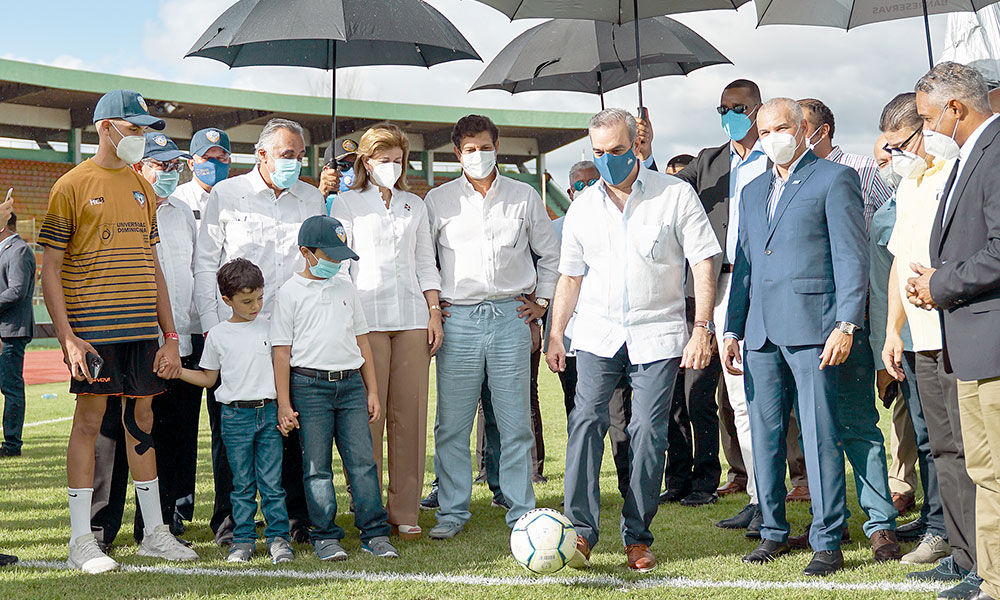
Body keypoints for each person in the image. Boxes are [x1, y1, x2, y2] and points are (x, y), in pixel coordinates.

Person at [549, 108, 720, 572]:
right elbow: (570, 276)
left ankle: (637, 536)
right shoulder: (582, 207)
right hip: (596, 334)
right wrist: (556, 333)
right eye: (599, 152)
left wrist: (701, 327)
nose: (608, 160)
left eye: (617, 150)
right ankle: (580, 531)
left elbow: (703, 261)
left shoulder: (675, 194)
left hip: (658, 334)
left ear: (636, 146)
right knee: (585, 422)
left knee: (647, 431)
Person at [38, 89, 198, 573]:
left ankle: (155, 534)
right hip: (94, 330)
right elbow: (50, 269)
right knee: (89, 423)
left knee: (141, 422)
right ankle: (81, 541)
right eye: (134, 128)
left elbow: (155, 267)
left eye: (146, 129)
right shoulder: (70, 185)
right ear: (105, 127)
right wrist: (67, 337)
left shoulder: (141, 187)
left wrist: (170, 337)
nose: (141, 137)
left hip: (141, 330)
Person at [722, 97, 868, 577]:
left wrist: (846, 323)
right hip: (760, 332)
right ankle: (772, 530)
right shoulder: (751, 189)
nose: (772, 139)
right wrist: (732, 327)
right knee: (765, 434)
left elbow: (850, 256)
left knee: (819, 433)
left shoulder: (834, 178)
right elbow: (745, 263)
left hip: (814, 326)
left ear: (803, 129)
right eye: (764, 132)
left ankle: (827, 538)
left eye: (781, 128)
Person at [424, 115, 560, 540]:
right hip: (458, 318)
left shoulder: (524, 196)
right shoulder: (438, 200)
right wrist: (434, 307)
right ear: (457, 153)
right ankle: (452, 511)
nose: (478, 155)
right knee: (452, 424)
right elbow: (424, 260)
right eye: (470, 149)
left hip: (510, 316)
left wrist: (541, 304)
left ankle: (521, 510)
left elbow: (551, 255)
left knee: (515, 421)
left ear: (496, 147)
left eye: (485, 147)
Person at [195, 118, 323, 545]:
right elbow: (205, 264)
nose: (295, 163)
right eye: (288, 155)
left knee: (290, 428)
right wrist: (215, 329)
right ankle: (231, 523)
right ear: (262, 154)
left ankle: (294, 519)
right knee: (231, 434)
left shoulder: (312, 198)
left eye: (300, 156)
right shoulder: (227, 194)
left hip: (295, 336)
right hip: (238, 337)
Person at [791, 98, 901, 562]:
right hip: (803, 324)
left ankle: (881, 524)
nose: (792, 137)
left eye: (800, 127)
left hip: (852, 320)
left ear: (822, 130)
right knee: (816, 430)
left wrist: (859, 321)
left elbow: (872, 245)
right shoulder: (786, 179)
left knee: (859, 425)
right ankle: (827, 523)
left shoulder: (861, 168)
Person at [907, 61, 1000, 600]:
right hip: (969, 340)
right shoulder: (970, 156)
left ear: (955, 108)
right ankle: (991, 578)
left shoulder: (997, 152)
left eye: (927, 118)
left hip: (991, 341)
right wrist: (936, 280)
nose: (926, 130)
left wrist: (941, 283)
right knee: (985, 470)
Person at [330, 123, 442, 540]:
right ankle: (369, 508)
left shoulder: (416, 204)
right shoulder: (346, 203)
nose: (392, 166)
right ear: (366, 161)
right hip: (366, 322)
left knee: (409, 419)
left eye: (398, 160)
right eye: (384, 160)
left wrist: (434, 311)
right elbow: (341, 266)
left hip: (413, 320)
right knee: (368, 419)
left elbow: (425, 262)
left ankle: (405, 511)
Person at [272, 215, 399, 561]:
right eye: (329, 256)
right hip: (309, 387)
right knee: (317, 466)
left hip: (351, 386)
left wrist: (372, 390)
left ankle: (375, 532)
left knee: (363, 462)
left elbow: (362, 342)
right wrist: (284, 403)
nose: (336, 263)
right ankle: (325, 535)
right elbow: (281, 352)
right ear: (306, 252)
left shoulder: (346, 288)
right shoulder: (289, 293)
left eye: (340, 256)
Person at [673, 79, 767, 528]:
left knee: (771, 397)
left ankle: (793, 489)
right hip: (722, 287)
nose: (730, 115)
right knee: (740, 399)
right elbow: (664, 190)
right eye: (723, 109)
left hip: (767, 284)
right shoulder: (708, 162)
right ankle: (759, 497)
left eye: (738, 108)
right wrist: (642, 154)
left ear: (758, 109)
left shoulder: (778, 157)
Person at [169, 258, 293, 564]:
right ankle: (243, 541)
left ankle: (279, 540)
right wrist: (178, 371)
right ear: (227, 300)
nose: (256, 306)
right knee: (242, 485)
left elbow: (282, 371)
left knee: (272, 484)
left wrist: (284, 408)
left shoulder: (272, 328)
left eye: (260, 298)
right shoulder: (218, 335)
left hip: (268, 415)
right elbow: (209, 379)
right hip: (235, 418)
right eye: (247, 301)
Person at [876, 94, 952, 569]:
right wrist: (892, 330)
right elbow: (899, 262)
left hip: (953, 331)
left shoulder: (952, 176)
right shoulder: (909, 185)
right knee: (927, 438)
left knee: (956, 443)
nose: (894, 156)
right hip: (916, 337)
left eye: (900, 145)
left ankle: (950, 533)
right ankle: (936, 522)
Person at [127, 132, 203, 539]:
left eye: (175, 165)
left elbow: (191, 274)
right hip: (140, 344)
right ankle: (135, 522)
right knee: (139, 435)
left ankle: (170, 516)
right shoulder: (126, 208)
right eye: (162, 165)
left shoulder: (182, 212)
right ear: (140, 166)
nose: (171, 172)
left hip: (181, 342)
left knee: (179, 435)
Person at [553, 160, 633, 500]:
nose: (585, 189)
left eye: (591, 182)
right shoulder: (556, 229)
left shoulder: (619, 221)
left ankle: (629, 486)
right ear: (569, 191)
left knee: (619, 416)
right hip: (573, 337)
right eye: (578, 185)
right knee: (580, 417)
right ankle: (582, 490)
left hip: (612, 336)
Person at [0, 211, 35, 458]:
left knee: (10, 388)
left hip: (10, 331)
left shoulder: (19, 250)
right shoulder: (8, 250)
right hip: (5, 329)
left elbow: (17, 290)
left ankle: (12, 445)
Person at [173, 128, 231, 224]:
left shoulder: (240, 199)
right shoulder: (176, 200)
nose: (213, 164)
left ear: (229, 163)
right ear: (191, 164)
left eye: (220, 158)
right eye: (206, 158)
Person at [319, 138, 357, 214]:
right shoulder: (325, 202)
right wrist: (322, 193)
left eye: (357, 165)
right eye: (344, 165)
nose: (352, 170)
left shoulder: (370, 199)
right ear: (327, 170)